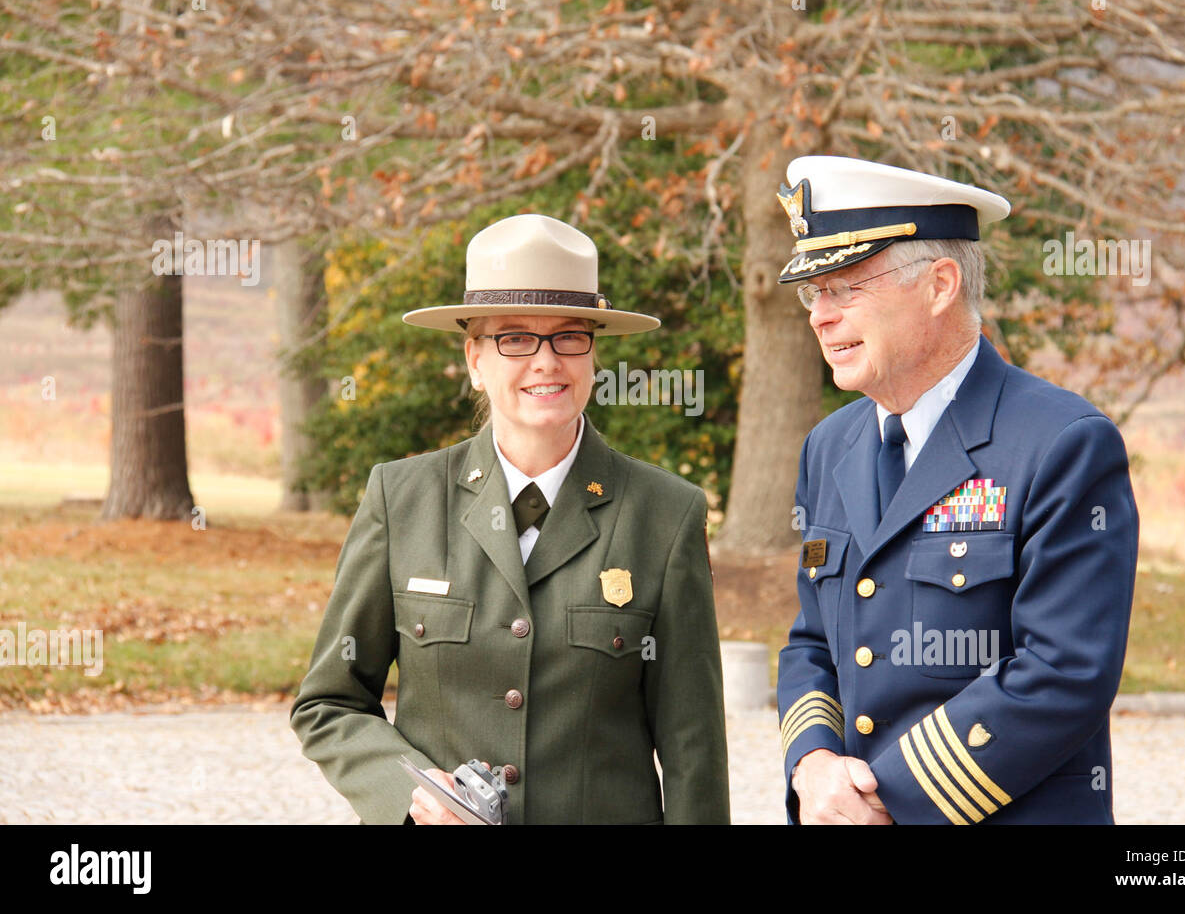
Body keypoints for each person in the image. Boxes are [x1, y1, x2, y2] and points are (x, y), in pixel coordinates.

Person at [290, 213, 729, 824]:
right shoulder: (402, 498)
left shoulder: (665, 514)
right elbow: (330, 703)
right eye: (515, 338)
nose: (546, 362)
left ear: (593, 355)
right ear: (475, 359)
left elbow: (693, 748)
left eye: (569, 336)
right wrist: (412, 799)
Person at [774, 156, 1138, 824]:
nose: (820, 317)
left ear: (940, 285)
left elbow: (1064, 674)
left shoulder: (1061, 442)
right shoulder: (829, 447)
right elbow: (812, 643)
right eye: (813, 293)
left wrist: (886, 800)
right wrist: (814, 764)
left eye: (844, 287)